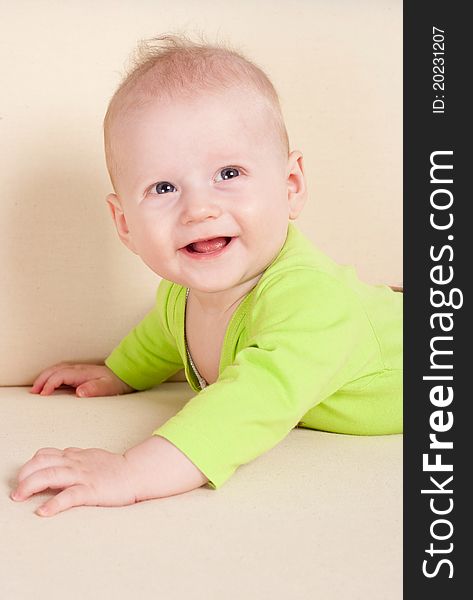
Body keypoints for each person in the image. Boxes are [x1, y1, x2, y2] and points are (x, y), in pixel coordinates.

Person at [10, 34, 402, 517]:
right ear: (125, 225)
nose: (199, 208)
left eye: (229, 173)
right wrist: (119, 372)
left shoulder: (310, 301)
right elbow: (161, 335)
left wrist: (132, 471)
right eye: (164, 186)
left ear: (290, 186)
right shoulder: (180, 293)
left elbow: (251, 403)